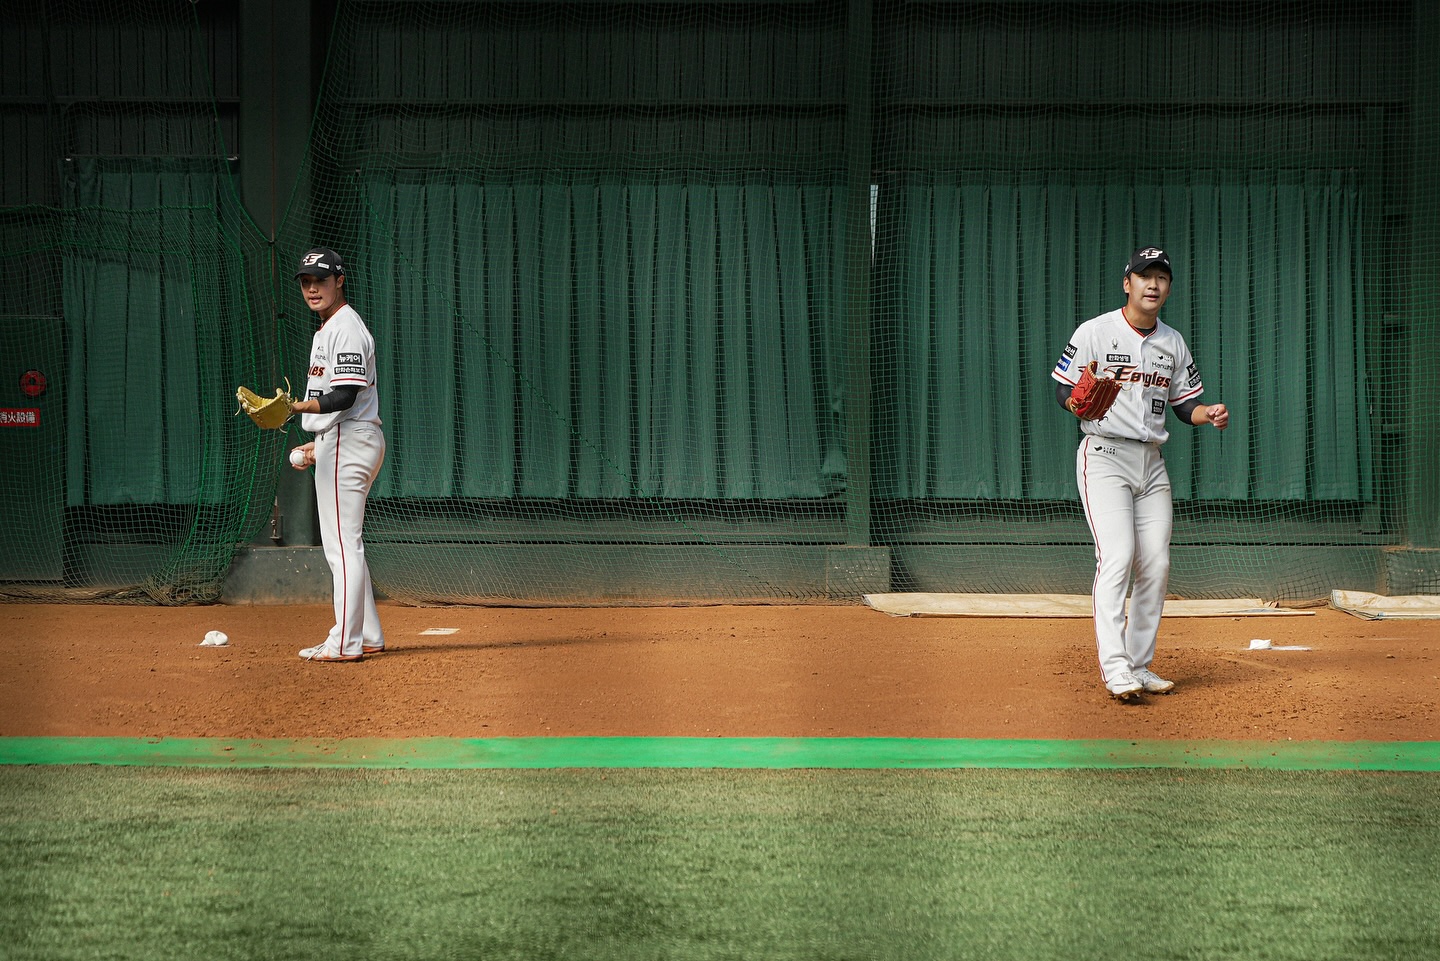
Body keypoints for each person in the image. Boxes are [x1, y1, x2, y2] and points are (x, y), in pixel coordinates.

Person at [1050, 247, 1229, 700]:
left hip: (1151, 462)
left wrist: (1207, 413)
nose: (1153, 284)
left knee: (1156, 563)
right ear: (1127, 283)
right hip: (1104, 456)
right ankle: (1115, 670)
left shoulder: (1173, 342)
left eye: (1161, 277)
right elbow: (1063, 387)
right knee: (1118, 556)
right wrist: (1074, 403)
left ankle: (1138, 664)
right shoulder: (1095, 331)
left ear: (1168, 288)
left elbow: (1185, 405)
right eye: (1144, 276)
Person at [287, 247, 387, 662]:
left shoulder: (345, 327)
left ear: (339, 280)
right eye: (306, 282)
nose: (313, 288)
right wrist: (320, 442)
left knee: (343, 546)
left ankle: (344, 643)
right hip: (346, 438)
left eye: (321, 280)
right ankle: (368, 635)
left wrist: (297, 407)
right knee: (347, 543)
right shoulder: (332, 327)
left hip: (349, 438)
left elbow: (345, 395)